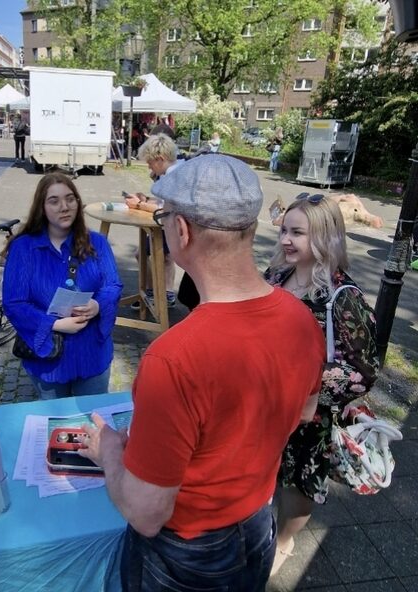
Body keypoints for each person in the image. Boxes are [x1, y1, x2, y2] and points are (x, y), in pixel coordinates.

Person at [79, 154, 325, 592]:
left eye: (164, 216)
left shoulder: (173, 359)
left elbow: (147, 514)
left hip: (188, 555)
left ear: (182, 230)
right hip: (256, 527)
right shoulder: (302, 319)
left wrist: (110, 451)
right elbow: (305, 412)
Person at [264, 193, 379, 575]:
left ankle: (283, 542)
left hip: (311, 417)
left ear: (326, 236)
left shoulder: (343, 297)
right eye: (284, 230)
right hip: (267, 407)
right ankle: (265, 530)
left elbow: (366, 370)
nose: (285, 240)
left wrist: (310, 393)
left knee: (299, 483)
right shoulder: (275, 276)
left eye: (298, 233)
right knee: (268, 472)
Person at [2, 172, 122, 399]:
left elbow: (113, 285)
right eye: (54, 201)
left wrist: (97, 305)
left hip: (91, 354)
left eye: (70, 198)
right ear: (42, 207)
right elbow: (14, 303)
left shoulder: (97, 242)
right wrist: (54, 324)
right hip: (48, 361)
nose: (64, 207)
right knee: (56, 425)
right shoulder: (24, 248)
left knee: (92, 421)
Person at [124, 133, 181, 308]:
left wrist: (140, 204)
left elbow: (167, 210)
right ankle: (159, 293)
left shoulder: (173, 176)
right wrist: (147, 200)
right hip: (168, 225)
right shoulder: (174, 172)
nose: (149, 167)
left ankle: (159, 294)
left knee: (161, 256)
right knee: (156, 256)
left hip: (170, 225)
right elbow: (165, 203)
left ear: (160, 159)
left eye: (150, 162)